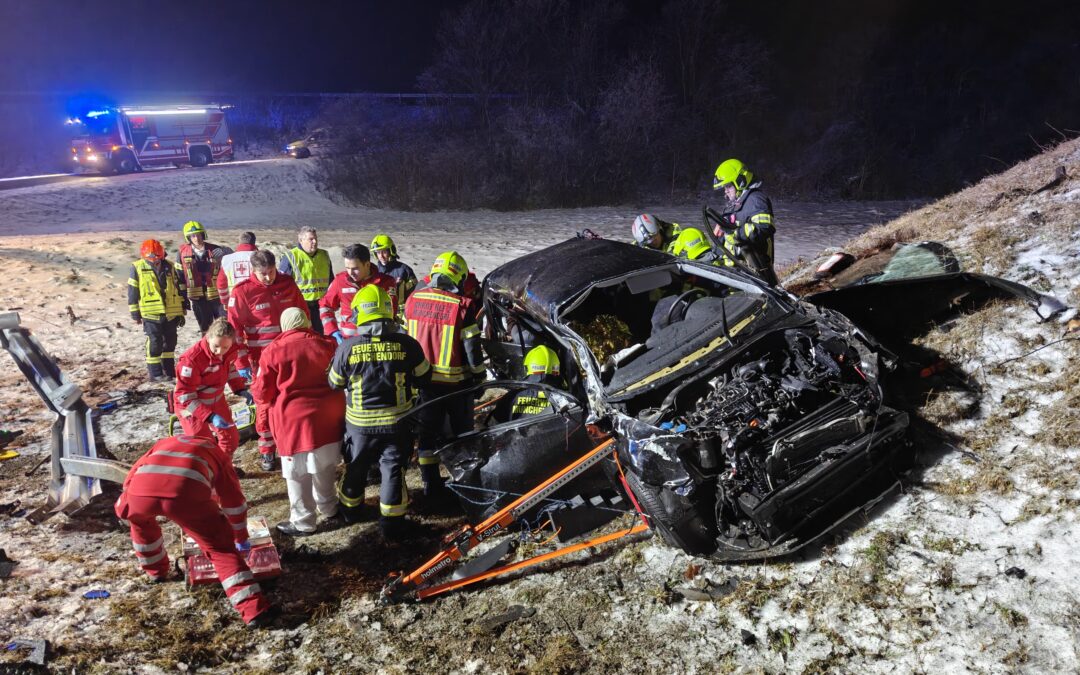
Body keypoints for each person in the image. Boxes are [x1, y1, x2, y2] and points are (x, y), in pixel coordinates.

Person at [113, 434, 275, 627]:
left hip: (140, 494)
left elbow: (132, 475)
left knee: (142, 527)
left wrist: (127, 506)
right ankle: (253, 609)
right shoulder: (217, 453)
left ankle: (156, 572)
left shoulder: (165, 442)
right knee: (220, 549)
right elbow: (233, 503)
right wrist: (239, 537)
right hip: (183, 494)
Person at [329, 285, 431, 539]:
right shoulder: (408, 344)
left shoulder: (347, 347)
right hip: (398, 424)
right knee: (393, 470)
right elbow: (424, 376)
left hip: (360, 427)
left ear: (358, 313)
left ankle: (351, 511)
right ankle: (392, 525)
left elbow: (334, 382)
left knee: (356, 468)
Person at [251, 308, 345, 536]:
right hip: (328, 415)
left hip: (293, 421)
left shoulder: (273, 351)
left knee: (297, 472)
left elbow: (262, 393)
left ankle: (303, 521)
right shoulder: (328, 344)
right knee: (325, 464)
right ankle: (329, 507)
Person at [403, 251, 485, 500]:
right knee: (462, 435)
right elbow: (472, 349)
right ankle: (466, 483)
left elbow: (406, 340)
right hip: (457, 386)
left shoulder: (413, 300)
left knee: (427, 437)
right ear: (459, 277)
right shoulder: (462, 306)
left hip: (424, 383)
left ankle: (430, 484)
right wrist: (480, 378)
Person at [227, 250, 309, 471]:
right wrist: (241, 362)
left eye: (271, 272)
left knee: (293, 399)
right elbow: (235, 331)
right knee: (264, 402)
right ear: (253, 270)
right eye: (263, 273)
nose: (268, 277)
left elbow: (303, 314)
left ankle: (294, 443)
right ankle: (267, 450)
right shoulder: (243, 291)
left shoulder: (287, 283)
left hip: (291, 354)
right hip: (261, 359)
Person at [173, 318, 252, 460]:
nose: (219, 351)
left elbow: (230, 369)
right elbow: (184, 395)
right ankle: (207, 470)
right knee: (203, 446)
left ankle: (223, 467)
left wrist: (240, 389)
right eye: (215, 346)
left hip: (216, 401)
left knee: (231, 439)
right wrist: (209, 416)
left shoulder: (231, 350)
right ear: (208, 337)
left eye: (225, 347)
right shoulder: (192, 360)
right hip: (192, 407)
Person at [128, 239, 188, 382]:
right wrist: (135, 313)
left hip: (171, 313)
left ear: (162, 255)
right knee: (155, 342)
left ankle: (169, 371)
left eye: (157, 257)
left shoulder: (170, 266)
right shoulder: (137, 267)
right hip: (151, 313)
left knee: (170, 342)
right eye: (150, 258)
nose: (154, 260)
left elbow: (179, 288)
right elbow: (133, 291)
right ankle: (155, 374)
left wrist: (182, 308)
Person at [711, 158, 777, 285]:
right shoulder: (734, 205)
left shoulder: (755, 200)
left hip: (755, 275)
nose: (725, 191)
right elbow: (724, 237)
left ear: (740, 182)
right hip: (735, 272)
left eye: (728, 186)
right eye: (724, 187)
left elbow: (765, 227)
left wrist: (735, 233)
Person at [319, 243, 398, 345]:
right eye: (347, 268)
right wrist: (332, 330)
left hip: (378, 340)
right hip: (347, 341)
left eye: (355, 268)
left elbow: (392, 311)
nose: (350, 273)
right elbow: (325, 306)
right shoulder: (340, 281)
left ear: (367, 265)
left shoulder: (386, 282)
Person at [278, 226, 333, 334]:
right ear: (301, 240)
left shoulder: (324, 255)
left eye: (316, 238)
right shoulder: (291, 257)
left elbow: (331, 280)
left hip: (321, 305)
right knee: (303, 335)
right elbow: (282, 285)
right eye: (311, 239)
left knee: (320, 335)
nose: (315, 242)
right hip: (300, 305)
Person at [495, 345, 568, 422]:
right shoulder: (566, 398)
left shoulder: (510, 398)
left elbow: (495, 426)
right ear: (556, 367)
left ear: (527, 367)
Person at [178, 220, 228, 333]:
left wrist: (226, 251)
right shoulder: (182, 253)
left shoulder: (215, 249)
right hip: (198, 298)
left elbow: (227, 269)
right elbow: (180, 277)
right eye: (193, 236)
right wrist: (183, 299)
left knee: (224, 326)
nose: (196, 238)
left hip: (216, 297)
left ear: (203, 234)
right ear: (188, 237)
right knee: (205, 329)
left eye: (199, 234)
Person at [370, 234, 418, 315]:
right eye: (378, 252)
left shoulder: (404, 270)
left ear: (391, 250)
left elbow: (415, 294)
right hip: (381, 314)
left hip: (400, 314)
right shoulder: (374, 271)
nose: (381, 256)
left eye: (384, 252)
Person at [217, 232, 258, 306]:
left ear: (239, 242)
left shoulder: (227, 259)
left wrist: (225, 301)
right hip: (256, 300)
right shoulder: (260, 257)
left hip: (235, 301)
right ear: (254, 242)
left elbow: (221, 283)